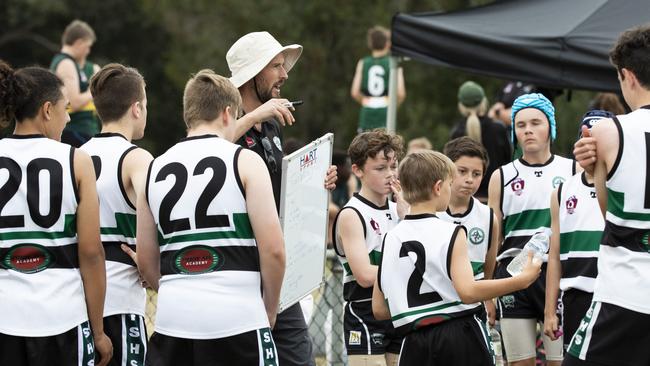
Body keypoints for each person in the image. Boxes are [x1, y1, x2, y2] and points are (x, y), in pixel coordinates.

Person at [137, 70, 285, 365]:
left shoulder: (153, 169)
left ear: (188, 115)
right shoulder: (245, 161)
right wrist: (269, 309)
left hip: (173, 319)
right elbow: (274, 250)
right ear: (228, 113)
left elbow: (145, 258)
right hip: (238, 316)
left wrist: (178, 288)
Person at [226, 30, 337, 366]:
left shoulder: (273, 127)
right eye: (276, 66)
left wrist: (314, 183)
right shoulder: (224, 120)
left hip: (276, 268)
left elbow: (278, 193)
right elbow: (207, 147)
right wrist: (257, 116)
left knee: (299, 358)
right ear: (254, 72)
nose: (285, 74)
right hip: (239, 268)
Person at [372, 150, 541, 366]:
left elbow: (379, 308)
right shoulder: (451, 232)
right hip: (459, 334)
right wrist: (522, 280)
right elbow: (468, 292)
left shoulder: (390, 238)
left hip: (413, 340)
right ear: (438, 187)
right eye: (450, 184)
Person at [0, 61, 112, 365]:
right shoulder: (76, 160)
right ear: (47, 110)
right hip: (62, 318)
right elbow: (91, 253)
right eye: (66, 109)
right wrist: (98, 331)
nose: (67, 119)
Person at [565, 24, 650, 366]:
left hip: (624, 292)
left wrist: (592, 169)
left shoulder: (607, 131)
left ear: (627, 76)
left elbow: (606, 209)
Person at [488, 93, 575, 366]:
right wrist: (488, 293)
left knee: (560, 361)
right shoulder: (501, 176)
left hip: (558, 277)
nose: (528, 130)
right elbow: (493, 241)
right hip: (514, 276)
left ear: (550, 125)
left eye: (536, 122)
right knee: (519, 362)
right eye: (521, 124)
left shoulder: (572, 169)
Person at [80, 63, 153, 365]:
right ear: (136, 108)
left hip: (80, 301)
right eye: (145, 105)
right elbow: (163, 216)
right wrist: (151, 262)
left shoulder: (76, 155)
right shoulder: (136, 158)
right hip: (120, 300)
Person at [332, 129, 406, 366]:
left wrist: (408, 220)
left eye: (393, 166)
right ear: (358, 170)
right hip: (365, 312)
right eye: (380, 168)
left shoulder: (400, 211)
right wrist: (407, 270)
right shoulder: (352, 213)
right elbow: (364, 275)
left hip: (398, 308)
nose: (390, 175)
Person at [543, 111, 611, 355]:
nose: (591, 148)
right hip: (576, 298)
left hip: (614, 295)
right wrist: (550, 311)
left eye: (597, 142)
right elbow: (554, 255)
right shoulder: (562, 192)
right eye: (585, 140)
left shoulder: (622, 186)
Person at [438, 136, 499, 326]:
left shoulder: (488, 217)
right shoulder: (430, 211)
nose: (469, 180)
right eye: (462, 171)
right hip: (437, 305)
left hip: (472, 308)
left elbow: (488, 267)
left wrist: (488, 298)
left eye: (476, 174)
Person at [451, 81, 511, 201]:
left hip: (465, 200)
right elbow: (508, 163)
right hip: (496, 198)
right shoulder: (498, 129)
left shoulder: (457, 132)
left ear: (461, 105)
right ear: (483, 102)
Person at [50, 20, 101, 147]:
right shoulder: (66, 63)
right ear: (79, 43)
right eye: (88, 46)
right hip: (75, 131)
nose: (88, 51)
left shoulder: (72, 63)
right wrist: (95, 89)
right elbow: (74, 102)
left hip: (82, 131)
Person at [350, 26, 406, 132]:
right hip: (385, 112)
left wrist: (368, 101)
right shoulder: (393, 62)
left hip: (367, 113)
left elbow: (354, 92)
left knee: (364, 145)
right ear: (387, 44)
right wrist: (391, 105)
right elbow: (401, 93)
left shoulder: (363, 62)